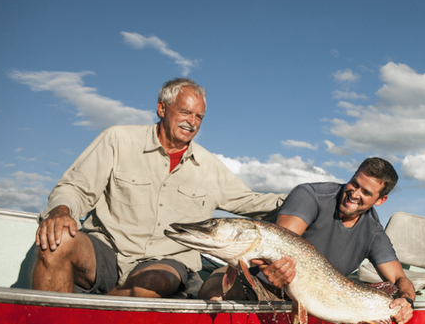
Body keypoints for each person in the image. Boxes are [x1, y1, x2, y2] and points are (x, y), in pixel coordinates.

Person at [32, 78, 285, 298]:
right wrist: (61, 211)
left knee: (152, 284)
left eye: (199, 117)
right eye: (185, 112)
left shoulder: (210, 167)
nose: (192, 122)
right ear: (162, 108)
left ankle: (86, 312)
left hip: (166, 263)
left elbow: (254, 204)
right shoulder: (117, 140)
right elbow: (75, 188)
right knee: (57, 240)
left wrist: (312, 197)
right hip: (107, 251)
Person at [200, 157, 415, 324]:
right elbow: (280, 243)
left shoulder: (374, 232)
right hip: (257, 282)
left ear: (380, 200)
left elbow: (400, 279)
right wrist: (274, 268)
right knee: (214, 290)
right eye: (354, 183)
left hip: (313, 303)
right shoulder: (310, 195)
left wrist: (407, 302)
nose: (354, 193)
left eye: (366, 192)